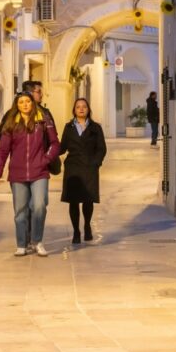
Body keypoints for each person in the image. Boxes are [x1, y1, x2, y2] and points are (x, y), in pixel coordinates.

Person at [0, 92, 59, 257]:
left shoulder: (43, 120)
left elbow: (55, 143)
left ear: (32, 103)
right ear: (17, 105)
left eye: (28, 101)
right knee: (20, 211)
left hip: (40, 172)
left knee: (39, 206)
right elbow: (3, 150)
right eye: (21, 102)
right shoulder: (11, 123)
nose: (25, 104)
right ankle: (21, 244)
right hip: (18, 173)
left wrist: (46, 159)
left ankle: (37, 241)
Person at [60, 97, 107, 244]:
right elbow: (62, 147)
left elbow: (101, 148)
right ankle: (76, 231)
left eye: (84, 107)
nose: (81, 109)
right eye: (78, 107)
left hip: (89, 167)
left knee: (88, 200)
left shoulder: (95, 128)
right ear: (74, 110)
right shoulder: (68, 127)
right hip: (73, 167)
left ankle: (87, 226)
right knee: (73, 201)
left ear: (88, 110)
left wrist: (96, 163)